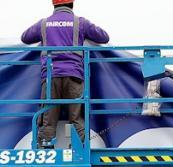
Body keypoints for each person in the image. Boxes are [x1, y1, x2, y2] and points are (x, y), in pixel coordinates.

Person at [21, 0, 110, 148]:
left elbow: (25, 37)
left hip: (51, 76)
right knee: (77, 118)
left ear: (53, 4)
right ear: (72, 4)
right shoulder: (80, 23)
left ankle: (45, 151)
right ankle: (80, 150)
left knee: (48, 118)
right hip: (74, 75)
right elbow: (104, 37)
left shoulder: (43, 24)